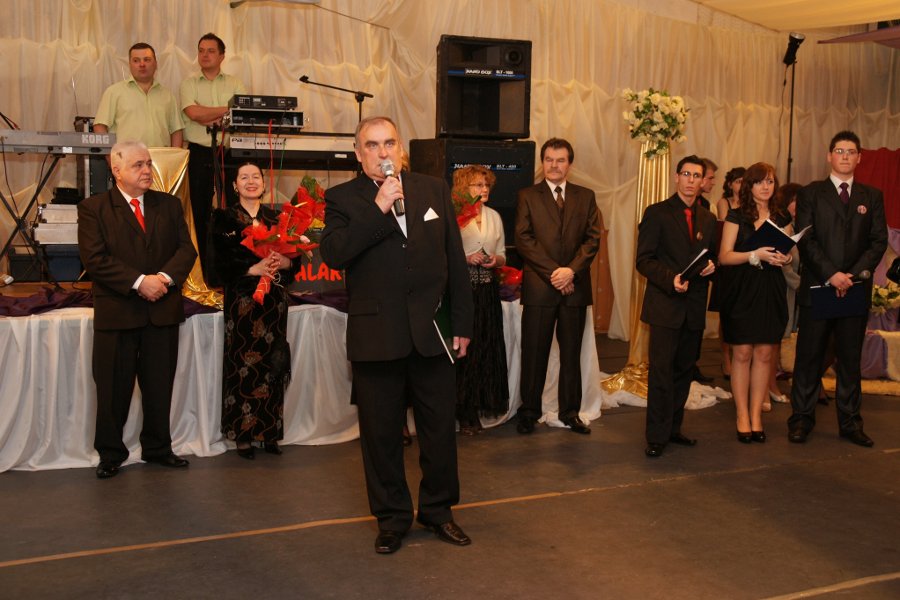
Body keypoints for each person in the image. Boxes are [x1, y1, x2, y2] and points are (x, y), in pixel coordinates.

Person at [319, 116, 474, 555]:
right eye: (371, 145)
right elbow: (335, 254)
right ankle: (391, 519)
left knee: (439, 431)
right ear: (358, 154)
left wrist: (462, 323)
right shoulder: (342, 198)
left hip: (433, 333)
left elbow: (453, 259)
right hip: (377, 335)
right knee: (381, 435)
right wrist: (379, 207)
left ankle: (439, 512)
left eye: (389, 143)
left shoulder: (432, 189)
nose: (382, 152)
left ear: (401, 148)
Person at [77, 141, 197, 478]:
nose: (147, 170)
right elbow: (94, 259)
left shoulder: (169, 205)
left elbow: (186, 250)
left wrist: (163, 279)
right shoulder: (93, 208)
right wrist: (139, 282)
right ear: (116, 170)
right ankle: (110, 453)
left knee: (159, 386)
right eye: (138, 165)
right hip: (118, 312)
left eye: (148, 163)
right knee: (112, 388)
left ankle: (159, 448)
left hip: (162, 310)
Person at [789, 131, 887, 447]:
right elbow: (806, 239)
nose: (845, 156)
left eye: (851, 151)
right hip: (819, 287)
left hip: (854, 289)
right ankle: (801, 419)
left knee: (849, 360)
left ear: (859, 158)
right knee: (809, 358)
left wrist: (852, 276)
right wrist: (832, 274)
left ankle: (850, 423)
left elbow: (878, 241)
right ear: (829, 156)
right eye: (839, 151)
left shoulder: (872, 196)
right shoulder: (810, 193)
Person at [210, 163, 304, 459]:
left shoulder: (278, 218)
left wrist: (284, 262)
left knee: (274, 364)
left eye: (256, 177)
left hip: (274, 302)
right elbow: (218, 264)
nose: (251, 182)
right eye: (244, 177)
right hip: (242, 303)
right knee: (243, 365)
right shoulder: (223, 219)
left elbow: (295, 262)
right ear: (235, 185)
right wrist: (254, 268)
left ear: (264, 184)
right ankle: (243, 435)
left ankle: (270, 431)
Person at [514, 138, 601, 435]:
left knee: (571, 355)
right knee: (534, 353)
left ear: (569, 164)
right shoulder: (527, 195)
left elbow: (593, 239)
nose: (554, 165)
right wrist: (556, 274)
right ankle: (528, 412)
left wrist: (571, 272)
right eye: (549, 159)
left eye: (560, 160)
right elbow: (523, 239)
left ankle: (570, 412)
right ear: (542, 162)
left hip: (574, 289)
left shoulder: (586, 196)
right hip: (540, 287)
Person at [636, 155, 716, 457]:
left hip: (693, 307)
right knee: (661, 373)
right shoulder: (657, 213)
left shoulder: (708, 218)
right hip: (665, 305)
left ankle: (673, 428)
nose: (691, 180)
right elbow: (644, 260)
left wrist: (712, 267)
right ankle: (656, 436)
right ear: (676, 176)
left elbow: (711, 256)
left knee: (684, 371)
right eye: (686, 174)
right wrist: (670, 280)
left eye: (697, 176)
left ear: (703, 181)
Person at [718, 163, 793, 443]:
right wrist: (755, 255)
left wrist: (786, 257)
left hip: (771, 288)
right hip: (742, 289)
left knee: (764, 354)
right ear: (749, 185)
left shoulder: (781, 216)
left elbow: (789, 252)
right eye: (760, 182)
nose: (766, 187)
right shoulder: (737, 215)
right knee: (742, 353)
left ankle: (756, 415)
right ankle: (742, 415)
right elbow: (724, 256)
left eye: (770, 181)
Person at [181, 33, 247, 273]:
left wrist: (208, 113)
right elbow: (193, 113)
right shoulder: (189, 84)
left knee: (234, 207)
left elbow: (239, 114)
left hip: (229, 153)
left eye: (210, 50)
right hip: (199, 152)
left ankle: (235, 264)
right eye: (201, 50)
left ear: (222, 56)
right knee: (198, 209)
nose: (205, 55)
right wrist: (225, 110)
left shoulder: (235, 83)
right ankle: (202, 269)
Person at [451, 165, 509, 435]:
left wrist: (495, 260)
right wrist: (466, 258)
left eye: (486, 185)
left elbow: (503, 255)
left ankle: (480, 403)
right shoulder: (454, 215)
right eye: (478, 185)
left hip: (487, 291)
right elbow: (443, 254)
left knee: (486, 350)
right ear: (464, 188)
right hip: (462, 292)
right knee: (465, 352)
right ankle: (463, 410)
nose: (484, 189)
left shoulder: (494, 216)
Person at [94, 43, 184, 148]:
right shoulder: (113, 92)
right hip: (126, 157)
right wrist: (111, 155)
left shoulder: (168, 95)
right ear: (130, 64)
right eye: (136, 60)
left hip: (161, 157)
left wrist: (174, 157)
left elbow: (176, 131)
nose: (142, 64)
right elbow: (100, 126)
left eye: (147, 60)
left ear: (156, 64)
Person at [710, 166, 746, 379]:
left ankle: (741, 356)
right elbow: (726, 226)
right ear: (730, 184)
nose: (741, 185)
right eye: (738, 181)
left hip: (745, 263)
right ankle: (726, 357)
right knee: (726, 313)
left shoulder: (753, 205)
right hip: (728, 264)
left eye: (744, 181)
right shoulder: (725, 202)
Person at [690, 156, 719, 383]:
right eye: (709, 177)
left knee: (696, 326)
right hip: (679, 275)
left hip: (700, 277)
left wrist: (711, 262)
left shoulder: (707, 208)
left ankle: (692, 363)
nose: (712, 182)